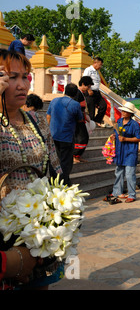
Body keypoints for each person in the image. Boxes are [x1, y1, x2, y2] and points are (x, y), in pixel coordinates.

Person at [0, 49, 63, 289]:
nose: (21, 84)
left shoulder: (37, 121)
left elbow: (55, 170)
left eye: (25, 77)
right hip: (5, 232)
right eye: (11, 77)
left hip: (39, 226)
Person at [46, 83, 84, 186]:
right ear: (75, 93)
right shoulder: (75, 104)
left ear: (64, 91)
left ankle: (54, 181)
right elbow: (80, 120)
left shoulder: (54, 101)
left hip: (53, 135)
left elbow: (48, 117)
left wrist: (49, 131)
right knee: (66, 162)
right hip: (66, 137)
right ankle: (63, 182)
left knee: (54, 160)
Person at [107, 102, 140, 204]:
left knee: (130, 174)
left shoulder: (134, 124)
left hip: (130, 152)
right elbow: (116, 132)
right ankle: (117, 192)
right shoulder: (119, 121)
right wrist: (114, 136)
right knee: (119, 173)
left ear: (130, 113)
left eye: (125, 111)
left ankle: (132, 195)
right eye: (122, 110)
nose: (123, 112)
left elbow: (139, 138)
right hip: (120, 151)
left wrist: (126, 139)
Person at [73, 76, 93, 163]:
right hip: (78, 120)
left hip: (81, 118)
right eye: (88, 86)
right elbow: (76, 107)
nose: (88, 88)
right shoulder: (77, 93)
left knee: (84, 138)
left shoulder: (81, 93)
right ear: (83, 84)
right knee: (81, 138)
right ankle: (75, 156)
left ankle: (78, 156)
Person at [83, 57, 107, 126]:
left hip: (97, 92)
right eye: (100, 65)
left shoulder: (97, 72)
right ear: (95, 63)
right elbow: (84, 80)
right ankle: (91, 124)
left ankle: (97, 120)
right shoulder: (88, 70)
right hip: (90, 91)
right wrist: (88, 89)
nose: (100, 66)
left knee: (103, 106)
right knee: (91, 110)